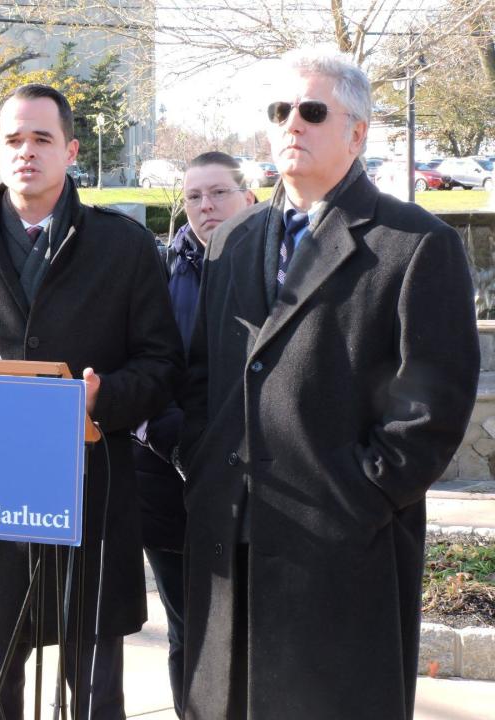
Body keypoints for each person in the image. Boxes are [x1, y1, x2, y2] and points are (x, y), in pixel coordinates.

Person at [179, 48, 479, 720]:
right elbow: (203, 380)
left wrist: (361, 496)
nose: (292, 124)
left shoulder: (414, 244)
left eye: (312, 111)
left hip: (340, 552)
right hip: (231, 542)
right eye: (279, 111)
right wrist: (200, 466)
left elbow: (431, 409)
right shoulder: (231, 240)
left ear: (357, 132)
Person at [0, 83, 182, 720]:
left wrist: (103, 399)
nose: (26, 152)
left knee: (94, 689)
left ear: (70, 150)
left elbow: (162, 364)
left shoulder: (125, 248)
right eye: (13, 139)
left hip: (91, 491)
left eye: (42, 138)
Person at [134, 152, 254, 717]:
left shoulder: (279, 265)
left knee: (257, 637)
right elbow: (141, 367)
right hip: (170, 484)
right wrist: (178, 441)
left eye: (219, 193)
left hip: (261, 489)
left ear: (248, 196)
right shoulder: (158, 271)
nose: (207, 207)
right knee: (189, 634)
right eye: (195, 197)